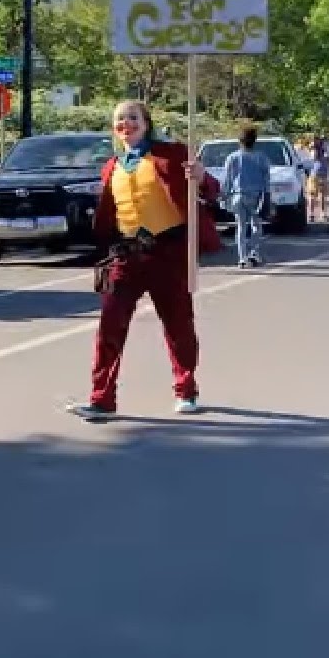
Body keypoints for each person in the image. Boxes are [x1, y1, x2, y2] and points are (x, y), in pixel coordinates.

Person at [66, 100, 222, 420]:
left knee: (178, 325)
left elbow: (211, 191)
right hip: (126, 254)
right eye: (120, 119)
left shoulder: (174, 154)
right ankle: (102, 399)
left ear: (146, 123)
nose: (127, 123)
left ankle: (186, 389)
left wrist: (202, 176)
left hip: (168, 252)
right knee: (109, 325)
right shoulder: (111, 166)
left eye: (133, 117)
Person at [222, 125, 271, 268]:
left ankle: (242, 258)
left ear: (240, 141)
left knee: (241, 227)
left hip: (238, 195)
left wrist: (224, 195)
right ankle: (254, 254)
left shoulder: (232, 158)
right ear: (254, 141)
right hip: (256, 196)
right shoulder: (261, 158)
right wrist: (267, 195)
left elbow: (228, 180)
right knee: (256, 226)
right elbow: (267, 179)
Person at [309, 134, 328, 222]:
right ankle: (314, 214)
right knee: (317, 195)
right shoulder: (315, 149)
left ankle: (318, 213)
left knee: (320, 195)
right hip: (318, 174)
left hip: (317, 174)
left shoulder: (317, 149)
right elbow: (314, 158)